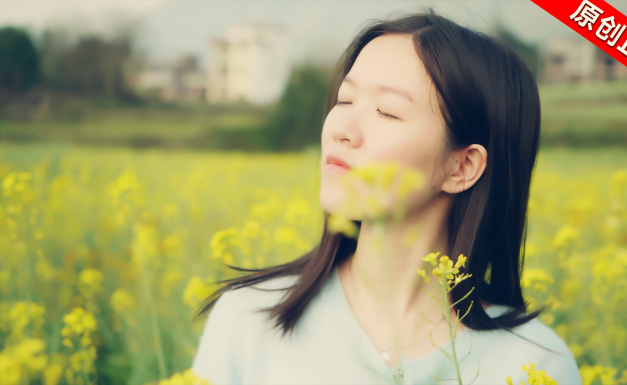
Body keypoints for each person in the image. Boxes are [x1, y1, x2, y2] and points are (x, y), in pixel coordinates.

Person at [192, 9, 581, 385]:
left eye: (387, 111)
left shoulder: (536, 365)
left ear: (461, 167)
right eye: (345, 100)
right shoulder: (248, 320)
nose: (342, 129)